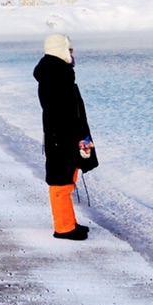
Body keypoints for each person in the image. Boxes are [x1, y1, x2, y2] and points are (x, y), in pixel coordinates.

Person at [35, 33, 98, 241]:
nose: (72, 53)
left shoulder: (57, 71)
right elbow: (63, 112)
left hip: (61, 135)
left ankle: (68, 222)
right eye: (69, 49)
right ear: (59, 50)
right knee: (61, 181)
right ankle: (63, 228)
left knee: (66, 177)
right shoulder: (56, 74)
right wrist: (76, 137)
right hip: (62, 137)